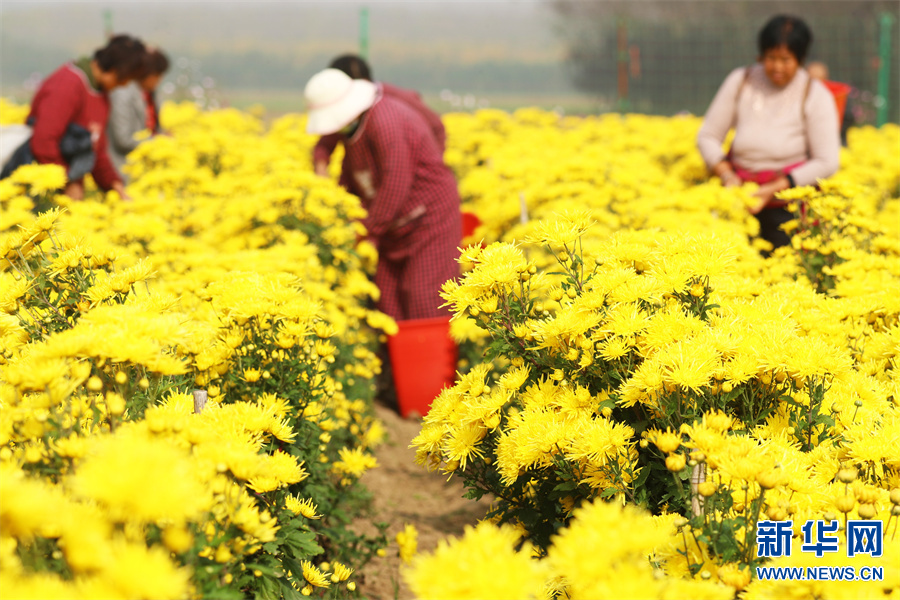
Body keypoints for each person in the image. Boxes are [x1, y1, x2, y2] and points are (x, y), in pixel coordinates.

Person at [304, 68, 461, 322]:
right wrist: (321, 167)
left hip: (428, 217)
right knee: (388, 302)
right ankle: (397, 361)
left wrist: (363, 231)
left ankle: (435, 360)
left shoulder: (385, 121)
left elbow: (396, 182)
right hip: (391, 222)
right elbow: (325, 142)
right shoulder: (353, 119)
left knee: (425, 298)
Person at [697, 15, 840, 251]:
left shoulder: (815, 94)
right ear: (760, 55)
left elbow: (827, 162)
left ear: (801, 60)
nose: (777, 67)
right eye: (770, 58)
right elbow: (708, 136)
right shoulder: (741, 81)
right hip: (736, 196)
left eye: (786, 60)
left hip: (788, 206)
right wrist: (727, 176)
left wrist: (774, 189)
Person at [1, 34, 147, 200]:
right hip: (38, 186)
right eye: (127, 78)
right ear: (118, 70)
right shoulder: (67, 84)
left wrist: (115, 185)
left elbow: (96, 148)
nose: (125, 84)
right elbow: (43, 142)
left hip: (64, 186)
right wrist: (68, 182)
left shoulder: (101, 92)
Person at [312, 54, 446, 179]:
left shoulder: (392, 99)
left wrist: (430, 164)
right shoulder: (347, 106)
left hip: (407, 175)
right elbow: (329, 136)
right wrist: (321, 164)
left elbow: (436, 126)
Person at [108, 47, 170, 180]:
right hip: (124, 169)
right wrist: (159, 141)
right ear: (147, 72)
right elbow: (123, 140)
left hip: (145, 168)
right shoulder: (122, 94)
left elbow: (153, 126)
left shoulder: (149, 93)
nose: (159, 80)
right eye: (157, 75)